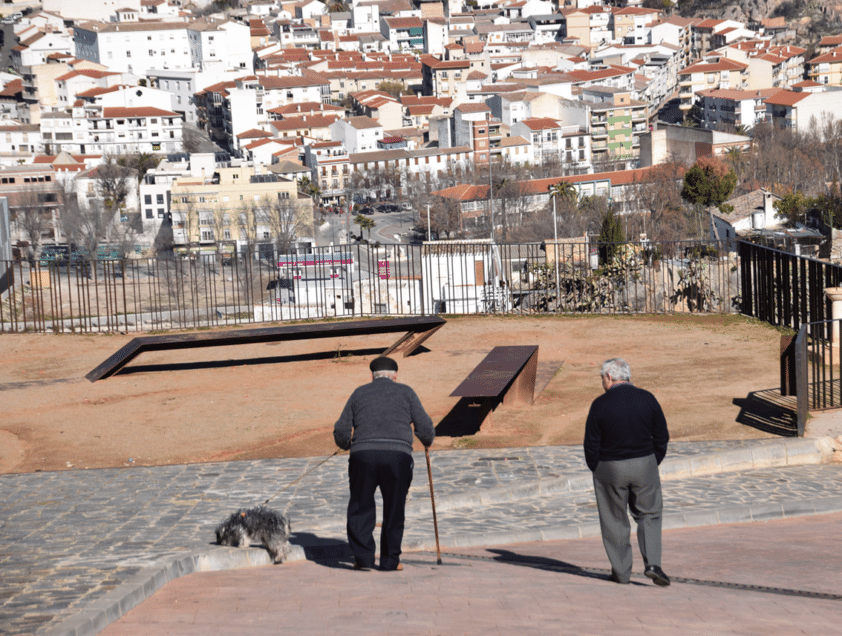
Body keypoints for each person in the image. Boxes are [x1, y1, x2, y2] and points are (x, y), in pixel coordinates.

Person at [334, 356, 435, 572]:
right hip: (398, 457)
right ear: (395, 376)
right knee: (395, 508)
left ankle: (363, 558)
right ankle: (390, 561)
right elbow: (425, 427)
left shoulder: (359, 392)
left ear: (372, 376)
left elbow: (342, 429)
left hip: (363, 456)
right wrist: (427, 440)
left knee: (361, 506)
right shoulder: (406, 392)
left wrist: (345, 445)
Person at [583, 358, 671, 586]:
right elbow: (661, 436)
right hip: (644, 464)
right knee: (649, 514)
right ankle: (653, 563)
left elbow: (591, 444)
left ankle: (621, 572)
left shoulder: (600, 404)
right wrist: (652, 461)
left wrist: (597, 468)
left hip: (610, 467)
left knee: (614, 519)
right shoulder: (647, 399)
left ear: (609, 378)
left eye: (602, 378)